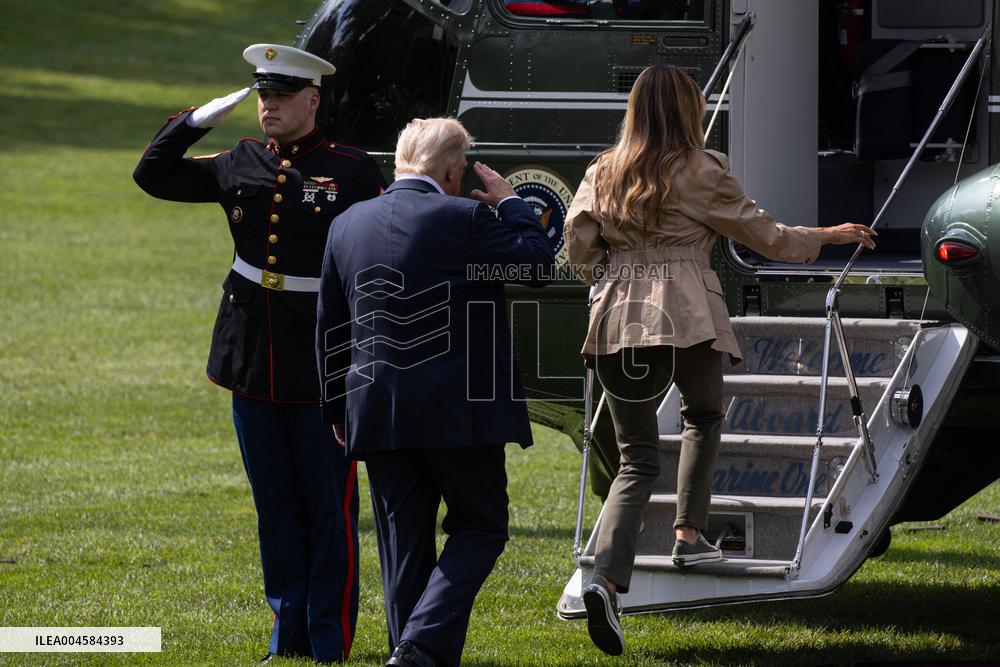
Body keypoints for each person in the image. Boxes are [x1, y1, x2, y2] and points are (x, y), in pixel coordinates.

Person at [564, 64, 876, 657]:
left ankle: (605, 580)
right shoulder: (703, 169)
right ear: (688, 111)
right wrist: (830, 234)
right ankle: (688, 534)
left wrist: (604, 276)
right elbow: (766, 236)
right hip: (687, 312)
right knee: (702, 417)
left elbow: (580, 241)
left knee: (635, 460)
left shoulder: (604, 169)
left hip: (618, 314)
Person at [133, 44, 385, 663]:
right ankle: (287, 635)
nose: (267, 105)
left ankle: (329, 640)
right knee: (275, 509)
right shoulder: (240, 160)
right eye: (261, 95)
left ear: (312, 100)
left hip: (324, 363)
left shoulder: (352, 172)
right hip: (251, 357)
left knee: (328, 509)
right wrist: (193, 123)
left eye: (280, 96)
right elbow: (152, 175)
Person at [316, 118, 554, 667]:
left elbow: (331, 327)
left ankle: (412, 655)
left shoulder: (347, 224)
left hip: (376, 409)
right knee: (481, 526)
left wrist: (336, 407)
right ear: (452, 171)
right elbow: (538, 264)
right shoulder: (467, 216)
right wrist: (512, 204)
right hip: (459, 411)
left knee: (404, 546)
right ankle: (420, 645)